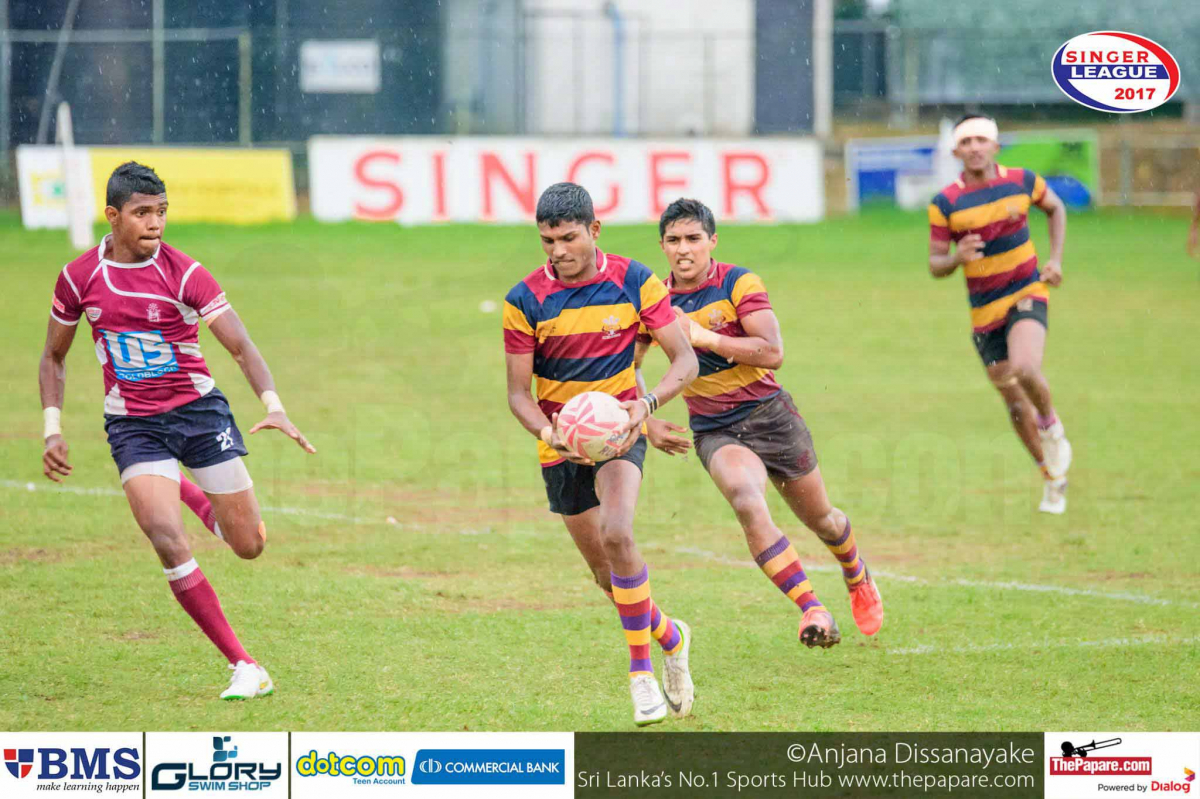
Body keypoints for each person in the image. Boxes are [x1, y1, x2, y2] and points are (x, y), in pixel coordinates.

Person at [39, 162, 316, 699]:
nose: (155, 223)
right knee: (165, 537)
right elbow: (53, 356)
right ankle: (245, 665)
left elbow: (241, 346)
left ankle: (183, 486)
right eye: (142, 213)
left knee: (249, 545)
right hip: (132, 425)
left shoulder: (184, 273)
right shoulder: (78, 278)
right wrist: (53, 428)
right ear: (113, 216)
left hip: (199, 416)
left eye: (162, 212)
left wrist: (275, 406)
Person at [637, 198, 883, 650]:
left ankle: (855, 572)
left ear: (713, 241)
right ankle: (812, 607)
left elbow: (772, 352)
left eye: (693, 238)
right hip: (715, 428)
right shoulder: (654, 299)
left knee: (823, 520)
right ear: (662, 246)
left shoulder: (738, 282)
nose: (683, 249)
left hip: (771, 416)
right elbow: (628, 364)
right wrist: (645, 419)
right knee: (747, 501)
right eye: (673, 240)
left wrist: (704, 336)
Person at [502, 182, 699, 726]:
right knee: (606, 577)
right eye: (547, 241)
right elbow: (518, 394)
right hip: (562, 444)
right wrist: (550, 434)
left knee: (618, 534)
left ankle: (641, 676)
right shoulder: (524, 300)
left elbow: (684, 360)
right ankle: (671, 636)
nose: (558, 251)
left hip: (619, 435)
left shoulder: (635, 280)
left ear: (594, 229)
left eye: (568, 238)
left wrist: (646, 406)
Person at [928, 115, 1072, 514]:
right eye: (966, 141)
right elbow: (935, 263)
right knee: (1014, 403)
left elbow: (1055, 208)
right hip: (984, 313)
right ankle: (1051, 476)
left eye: (981, 139)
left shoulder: (1022, 180)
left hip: (1027, 291)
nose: (974, 147)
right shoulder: (945, 202)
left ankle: (1051, 426)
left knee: (1025, 368)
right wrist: (957, 257)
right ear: (956, 151)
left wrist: (1055, 260)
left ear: (995, 145)